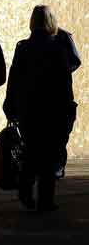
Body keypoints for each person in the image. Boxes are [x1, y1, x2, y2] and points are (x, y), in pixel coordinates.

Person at [3, 5, 75, 211]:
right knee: (50, 156)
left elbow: (14, 79)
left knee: (31, 152)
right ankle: (45, 200)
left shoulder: (22, 47)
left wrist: (10, 105)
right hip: (53, 110)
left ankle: (25, 191)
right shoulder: (58, 48)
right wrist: (69, 109)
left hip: (28, 109)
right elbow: (64, 83)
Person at [53, 27, 81, 179]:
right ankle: (56, 167)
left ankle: (56, 167)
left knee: (58, 138)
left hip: (59, 102)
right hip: (62, 102)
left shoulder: (27, 47)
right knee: (59, 138)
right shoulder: (62, 52)